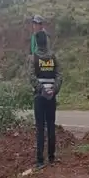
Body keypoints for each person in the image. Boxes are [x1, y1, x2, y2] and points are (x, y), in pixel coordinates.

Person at [29, 31, 61, 169]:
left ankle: (40, 161)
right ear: (46, 41)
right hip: (51, 97)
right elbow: (59, 76)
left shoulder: (34, 58)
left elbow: (31, 77)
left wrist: (41, 89)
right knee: (51, 126)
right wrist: (53, 90)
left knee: (40, 128)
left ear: (37, 42)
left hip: (39, 97)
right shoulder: (53, 57)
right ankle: (52, 157)